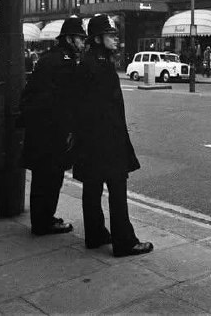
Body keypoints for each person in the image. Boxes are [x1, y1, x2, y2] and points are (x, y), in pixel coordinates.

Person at [73, 14, 153, 257]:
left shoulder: (88, 61)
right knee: (117, 188)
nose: (115, 39)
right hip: (107, 138)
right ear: (97, 38)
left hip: (90, 139)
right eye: (110, 35)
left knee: (93, 185)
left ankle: (95, 234)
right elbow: (107, 108)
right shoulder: (101, 65)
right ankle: (124, 241)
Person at [19, 16, 86, 236]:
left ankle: (43, 218)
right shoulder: (64, 62)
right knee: (50, 178)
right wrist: (68, 130)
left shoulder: (50, 57)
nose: (82, 42)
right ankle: (44, 222)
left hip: (41, 129)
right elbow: (64, 101)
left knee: (42, 178)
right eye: (80, 38)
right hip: (51, 131)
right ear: (69, 38)